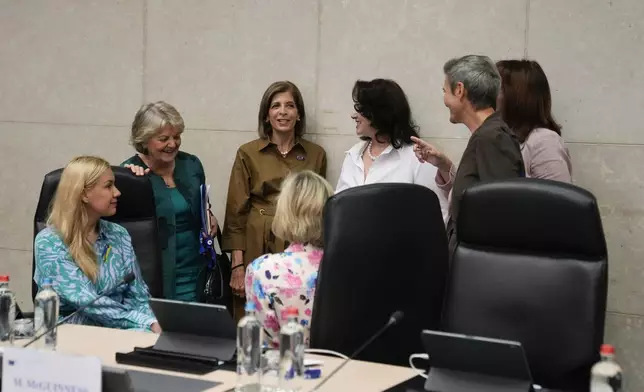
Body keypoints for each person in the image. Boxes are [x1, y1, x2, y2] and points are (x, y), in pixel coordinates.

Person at [222, 81, 327, 320]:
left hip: (298, 243)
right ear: (267, 115)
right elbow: (236, 212)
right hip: (255, 237)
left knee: (295, 311)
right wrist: (237, 266)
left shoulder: (316, 154)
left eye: (290, 106)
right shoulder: (247, 153)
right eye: (276, 106)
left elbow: (319, 209)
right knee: (250, 310)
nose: (283, 112)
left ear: (298, 114)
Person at [34, 156, 160, 332]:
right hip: (71, 336)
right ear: (84, 194)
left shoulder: (118, 234)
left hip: (121, 330)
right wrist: (146, 323)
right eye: (108, 186)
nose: (117, 193)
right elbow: (87, 302)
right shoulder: (50, 242)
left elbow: (137, 296)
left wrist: (154, 325)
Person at [411, 55, 524, 249]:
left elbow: (503, 212)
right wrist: (443, 164)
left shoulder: (491, 137)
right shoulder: (488, 134)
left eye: (445, 91)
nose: (444, 99)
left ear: (460, 90)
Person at [122, 101, 216, 302]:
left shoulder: (191, 165)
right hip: (156, 278)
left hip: (197, 271)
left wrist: (210, 220)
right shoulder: (130, 174)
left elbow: (202, 208)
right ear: (144, 139)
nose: (172, 144)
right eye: (164, 138)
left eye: (176, 137)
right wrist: (131, 181)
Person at [336, 79, 448, 221]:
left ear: (379, 112)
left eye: (360, 108)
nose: (354, 115)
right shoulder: (353, 155)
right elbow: (337, 206)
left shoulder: (418, 157)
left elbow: (437, 213)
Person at [245, 170, 333, 346]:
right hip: (346, 368)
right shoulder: (353, 266)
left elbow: (262, 345)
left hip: (286, 369)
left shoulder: (263, 270)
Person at [496, 59, 572, 182]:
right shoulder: (503, 138)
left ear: (516, 97)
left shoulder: (543, 142)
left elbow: (560, 199)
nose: (488, 94)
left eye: (496, 88)